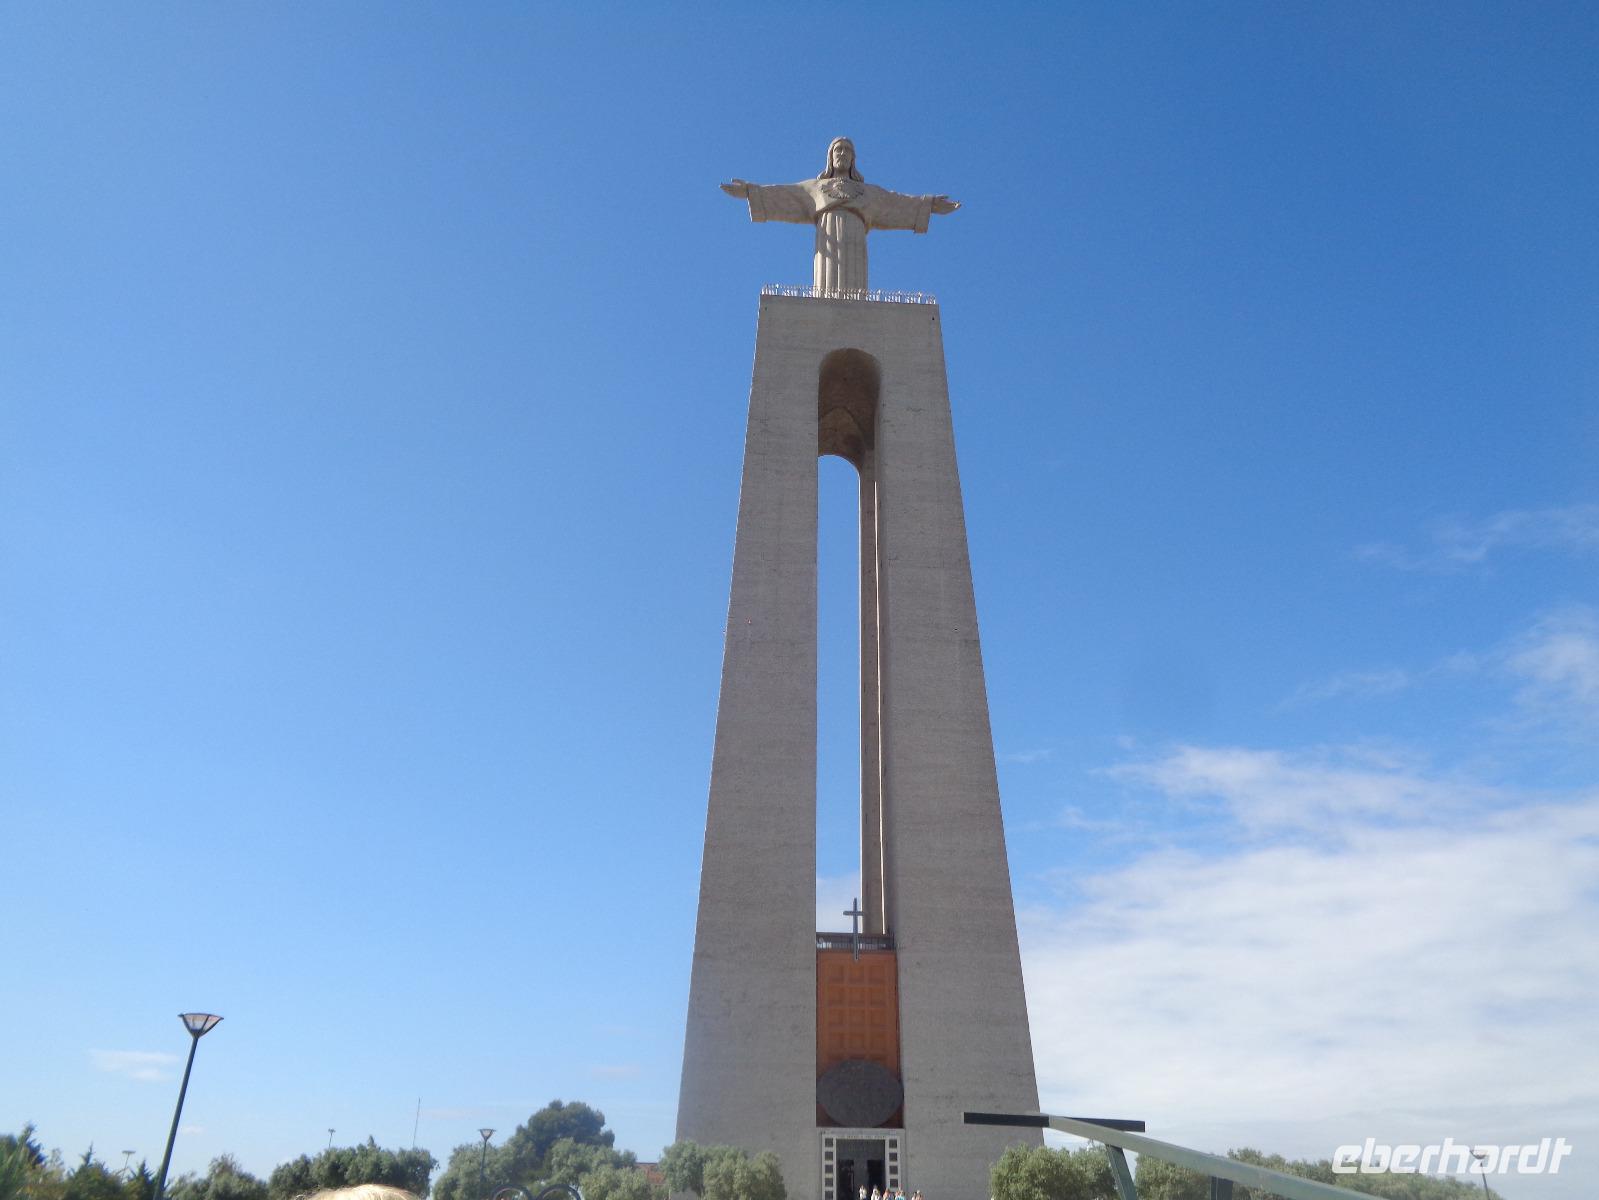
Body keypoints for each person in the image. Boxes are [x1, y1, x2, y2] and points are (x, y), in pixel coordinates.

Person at [721, 138, 959, 294]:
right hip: (827, 239)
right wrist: (751, 192)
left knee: (855, 291)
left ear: (853, 158)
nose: (842, 153)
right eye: (838, 149)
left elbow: (898, 202)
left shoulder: (869, 193)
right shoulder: (815, 187)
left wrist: (929, 205)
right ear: (831, 156)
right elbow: (785, 194)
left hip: (856, 239)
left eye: (847, 150)